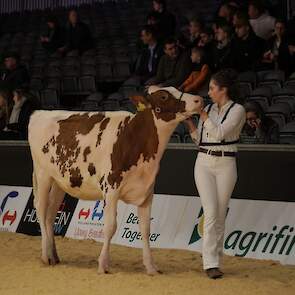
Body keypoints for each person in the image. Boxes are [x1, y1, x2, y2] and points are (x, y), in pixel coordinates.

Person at [185, 69, 246, 279]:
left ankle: (216, 257)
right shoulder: (209, 109)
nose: (209, 92)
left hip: (226, 163)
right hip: (203, 163)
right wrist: (190, 123)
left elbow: (220, 134)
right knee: (210, 212)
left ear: (223, 90)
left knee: (220, 214)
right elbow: (199, 141)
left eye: (212, 88)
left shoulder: (238, 110)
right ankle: (210, 263)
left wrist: (202, 115)